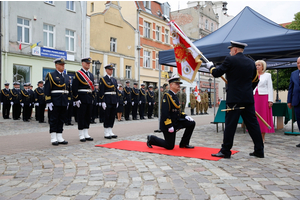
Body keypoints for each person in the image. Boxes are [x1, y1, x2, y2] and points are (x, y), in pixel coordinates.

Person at [208, 41, 264, 158]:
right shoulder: (251, 62)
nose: (230, 52)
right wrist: (247, 90)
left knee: (230, 125)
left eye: (230, 50)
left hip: (234, 99)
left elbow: (217, 73)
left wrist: (211, 67)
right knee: (253, 125)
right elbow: (255, 81)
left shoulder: (230, 59)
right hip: (247, 98)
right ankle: (259, 150)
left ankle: (225, 150)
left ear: (234, 50)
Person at [146, 76, 196, 150]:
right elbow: (165, 112)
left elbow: (178, 110)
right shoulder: (167, 96)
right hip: (168, 124)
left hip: (176, 121)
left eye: (179, 84)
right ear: (171, 85)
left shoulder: (174, 96)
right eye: (177, 84)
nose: (179, 85)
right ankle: (151, 139)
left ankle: (184, 143)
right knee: (169, 146)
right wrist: (169, 125)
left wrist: (185, 116)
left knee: (191, 123)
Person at [44, 58, 70, 146]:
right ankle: (53, 137)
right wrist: (48, 101)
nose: (63, 66)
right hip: (55, 100)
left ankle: (59, 136)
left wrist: (68, 100)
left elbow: (68, 90)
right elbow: (47, 88)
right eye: (61, 64)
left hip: (63, 101)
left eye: (63, 65)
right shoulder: (51, 75)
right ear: (56, 65)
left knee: (61, 119)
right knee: (54, 119)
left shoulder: (66, 76)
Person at [72, 57, 94, 142]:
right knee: (81, 116)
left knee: (88, 116)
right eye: (86, 63)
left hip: (89, 97)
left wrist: (92, 97)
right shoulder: (78, 74)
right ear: (82, 63)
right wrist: (76, 98)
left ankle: (86, 133)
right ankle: (81, 134)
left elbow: (92, 88)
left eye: (89, 63)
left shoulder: (91, 75)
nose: (88, 64)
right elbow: (74, 87)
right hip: (81, 97)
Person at [254, 60, 275, 143]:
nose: (257, 67)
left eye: (259, 65)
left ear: (263, 66)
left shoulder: (267, 75)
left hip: (263, 97)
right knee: (254, 116)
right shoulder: (253, 75)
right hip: (254, 96)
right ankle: (256, 136)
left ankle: (262, 136)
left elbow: (270, 88)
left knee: (263, 116)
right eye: (256, 65)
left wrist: (270, 100)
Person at [99, 64, 119, 139]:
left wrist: (117, 100)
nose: (111, 71)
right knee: (107, 116)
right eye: (109, 69)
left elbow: (116, 91)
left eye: (112, 69)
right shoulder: (103, 79)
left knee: (112, 116)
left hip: (113, 99)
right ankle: (106, 132)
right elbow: (101, 91)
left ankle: (110, 130)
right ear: (106, 70)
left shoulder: (114, 80)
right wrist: (103, 101)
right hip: (107, 99)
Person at [288, 57, 300, 147]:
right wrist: (289, 101)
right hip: (296, 101)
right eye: (298, 63)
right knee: (299, 121)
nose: (298, 64)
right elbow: (290, 88)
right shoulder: (293, 74)